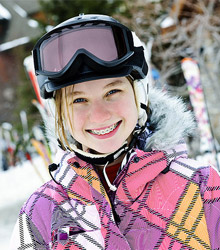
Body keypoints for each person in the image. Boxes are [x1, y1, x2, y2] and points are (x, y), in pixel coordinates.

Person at [10, 14, 220, 250]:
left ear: (139, 94)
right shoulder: (41, 214)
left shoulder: (203, 187)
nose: (99, 115)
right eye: (79, 99)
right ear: (59, 113)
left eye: (112, 92)